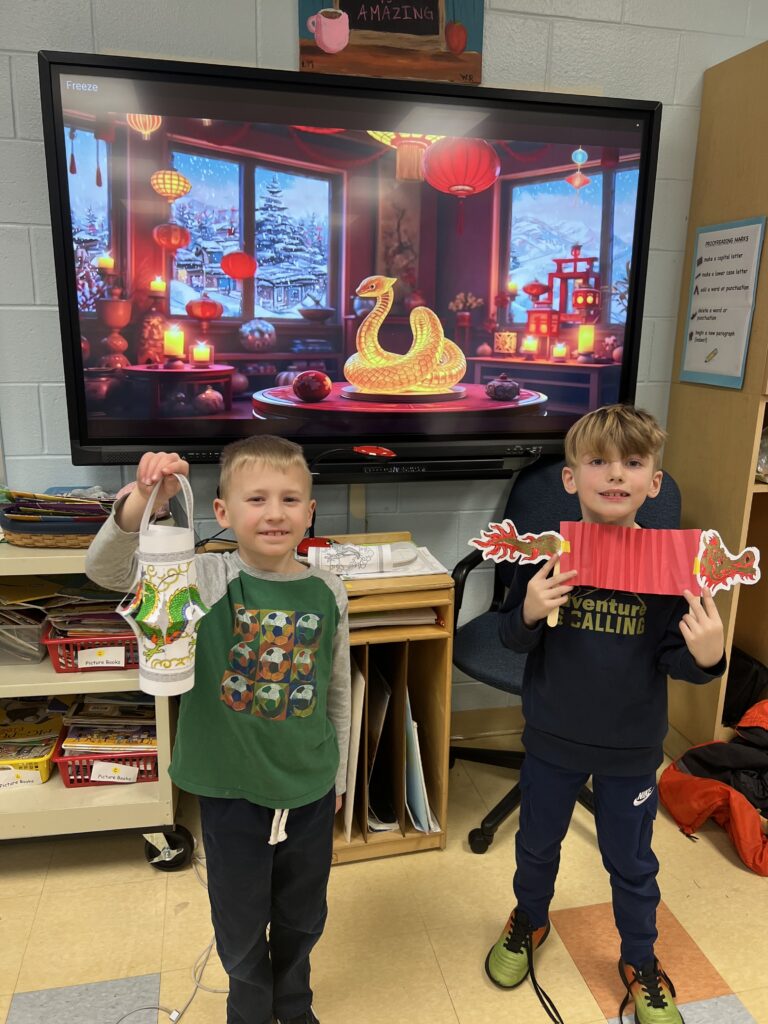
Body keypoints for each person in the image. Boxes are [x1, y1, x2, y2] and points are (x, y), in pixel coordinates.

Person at [86, 435, 351, 1024]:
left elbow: (337, 688)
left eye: (290, 499)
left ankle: (294, 1001)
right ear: (224, 513)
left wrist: (341, 780)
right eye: (256, 499)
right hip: (229, 793)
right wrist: (142, 502)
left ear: (310, 512)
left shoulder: (328, 587)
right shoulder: (201, 576)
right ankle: (249, 1006)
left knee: (304, 915)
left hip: (309, 789)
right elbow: (107, 570)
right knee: (237, 918)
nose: (275, 512)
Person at [484, 405, 726, 1024]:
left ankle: (639, 959)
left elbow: (681, 659)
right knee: (537, 846)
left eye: (634, 463)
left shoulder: (674, 568)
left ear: (654, 482)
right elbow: (510, 637)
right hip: (551, 738)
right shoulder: (548, 556)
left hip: (631, 747)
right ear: (571, 479)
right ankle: (529, 921)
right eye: (598, 462)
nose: (615, 475)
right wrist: (531, 610)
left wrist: (710, 656)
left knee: (634, 862)